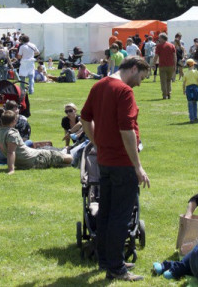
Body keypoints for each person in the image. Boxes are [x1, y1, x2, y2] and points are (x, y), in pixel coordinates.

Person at [80, 56, 151, 281]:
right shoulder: (124, 91)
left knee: (106, 213)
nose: (139, 83)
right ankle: (117, 268)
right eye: (141, 78)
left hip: (105, 161)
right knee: (120, 215)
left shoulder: (99, 85)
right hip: (122, 162)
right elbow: (126, 130)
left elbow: (84, 117)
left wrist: (96, 143)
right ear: (133, 68)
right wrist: (137, 166)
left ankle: (107, 260)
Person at [0, 110, 71, 173]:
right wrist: (11, 170)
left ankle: (71, 157)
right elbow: (11, 152)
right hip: (35, 159)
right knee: (67, 158)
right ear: (14, 122)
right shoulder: (12, 134)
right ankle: (76, 158)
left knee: (62, 162)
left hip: (27, 161)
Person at [155, 33, 176, 100]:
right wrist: (175, 65)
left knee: (163, 81)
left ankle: (164, 95)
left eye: (159, 38)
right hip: (171, 65)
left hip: (162, 65)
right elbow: (174, 56)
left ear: (162, 38)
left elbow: (156, 56)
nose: (159, 39)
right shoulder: (172, 45)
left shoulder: (159, 46)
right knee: (169, 80)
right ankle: (169, 94)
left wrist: (153, 64)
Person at [183, 58, 198, 123]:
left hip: (188, 88)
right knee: (195, 103)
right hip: (195, 88)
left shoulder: (185, 73)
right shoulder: (196, 72)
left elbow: (184, 83)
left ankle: (191, 118)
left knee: (190, 103)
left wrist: (183, 90)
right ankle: (196, 116)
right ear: (193, 65)